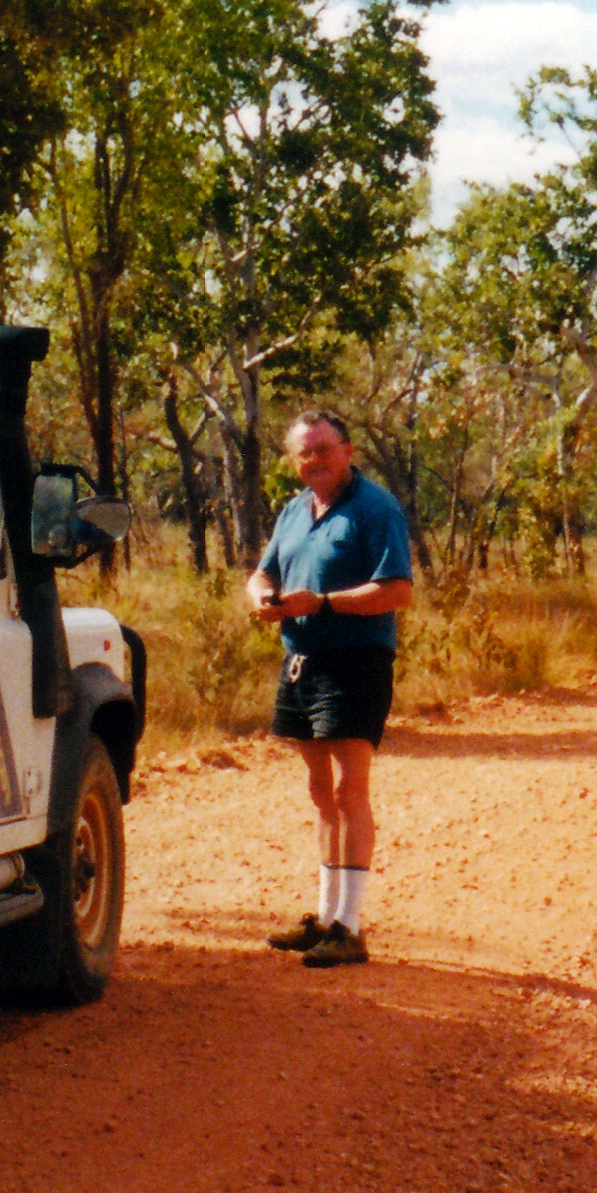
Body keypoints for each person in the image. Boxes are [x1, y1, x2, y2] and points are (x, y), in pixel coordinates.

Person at [247, 409, 414, 968]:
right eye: (304, 453)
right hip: (301, 660)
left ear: (348, 450)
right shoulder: (295, 511)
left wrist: (320, 602)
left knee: (350, 791)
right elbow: (263, 571)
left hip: (355, 660)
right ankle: (324, 917)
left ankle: (351, 926)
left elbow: (396, 590)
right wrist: (262, 595)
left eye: (324, 449)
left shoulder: (376, 507)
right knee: (321, 793)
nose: (315, 461)